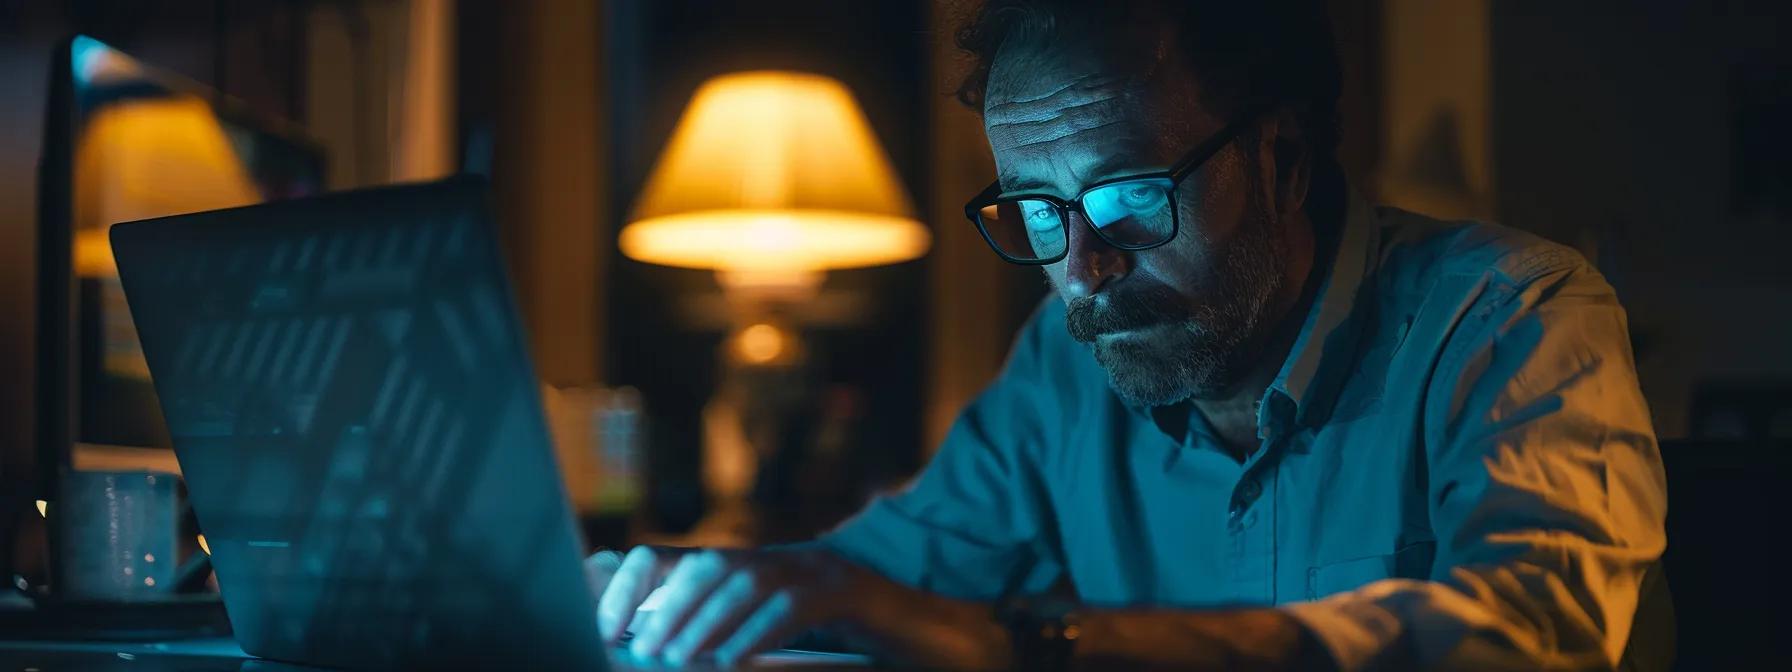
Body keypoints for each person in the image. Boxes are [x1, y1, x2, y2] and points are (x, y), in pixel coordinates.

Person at [588, 1, 1669, 669]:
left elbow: (1531, 639)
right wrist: (656, 589)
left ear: (1283, 160)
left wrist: (1038, 648)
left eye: (1128, 198)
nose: (1083, 270)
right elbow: (861, 579)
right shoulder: (1065, 369)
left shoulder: (1512, 316)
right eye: (1037, 212)